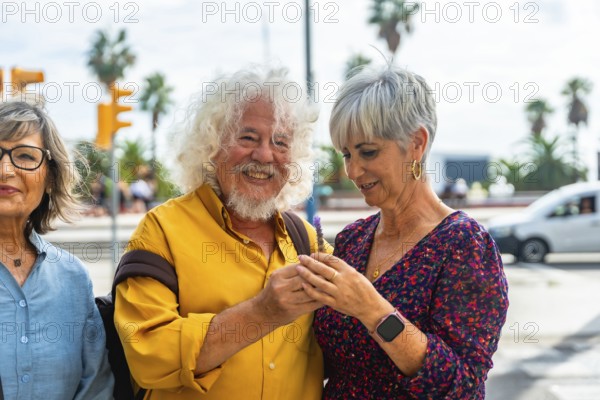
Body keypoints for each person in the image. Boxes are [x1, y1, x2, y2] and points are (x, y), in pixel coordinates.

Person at [114, 66, 329, 399]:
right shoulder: (161, 231)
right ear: (211, 147)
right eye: (248, 138)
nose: (264, 155)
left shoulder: (306, 239)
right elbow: (148, 355)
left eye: (280, 142)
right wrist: (262, 313)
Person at [296, 65, 509, 399]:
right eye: (346, 154)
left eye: (368, 152)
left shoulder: (464, 244)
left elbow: (462, 386)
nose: (352, 170)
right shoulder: (353, 239)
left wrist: (372, 309)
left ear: (416, 144)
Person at [0, 101, 114, 399]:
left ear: (50, 177)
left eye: (25, 155)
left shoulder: (72, 277)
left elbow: (96, 388)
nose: (5, 169)